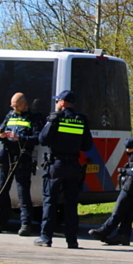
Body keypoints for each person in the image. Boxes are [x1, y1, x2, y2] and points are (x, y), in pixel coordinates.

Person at [87, 102, 133, 246]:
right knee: (128, 206)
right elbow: (131, 145)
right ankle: (123, 235)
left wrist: (130, 145)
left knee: (122, 202)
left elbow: (132, 141)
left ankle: (105, 230)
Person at [35, 90, 93, 249]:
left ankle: (46, 238)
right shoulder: (81, 120)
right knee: (71, 204)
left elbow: (42, 139)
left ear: (62, 102)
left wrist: (51, 122)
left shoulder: (56, 118)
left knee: (50, 202)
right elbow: (87, 145)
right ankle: (72, 240)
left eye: (57, 101)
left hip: (57, 165)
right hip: (74, 165)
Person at [0, 92, 42, 236]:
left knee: (23, 193)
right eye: (12, 105)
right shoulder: (10, 115)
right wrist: (1, 135)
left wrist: (19, 138)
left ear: (24, 103)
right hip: (6, 156)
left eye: (16, 105)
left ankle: (25, 225)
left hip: (22, 157)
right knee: (1, 190)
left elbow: (38, 138)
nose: (14, 108)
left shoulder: (33, 118)